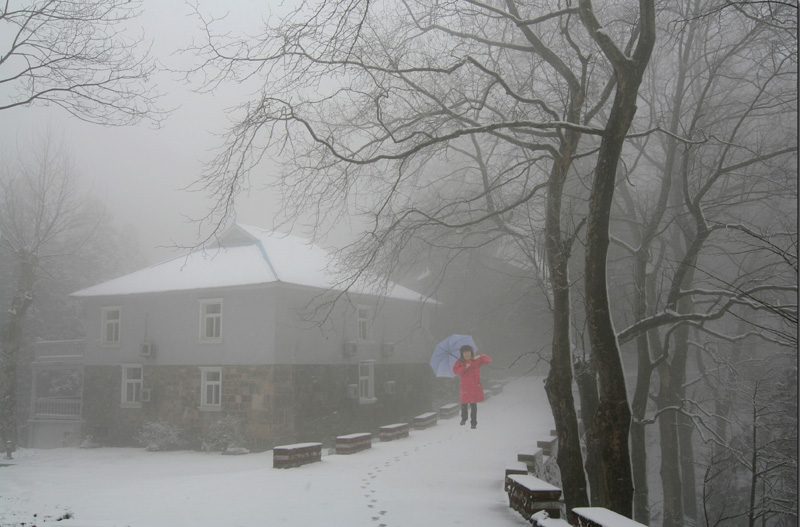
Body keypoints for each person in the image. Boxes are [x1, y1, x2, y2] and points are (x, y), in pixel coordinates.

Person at [452, 344, 491, 429]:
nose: (467, 354)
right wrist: (465, 367)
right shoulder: (459, 362)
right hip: (465, 387)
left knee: (474, 406)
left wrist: (481, 356)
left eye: (468, 352)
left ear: (471, 352)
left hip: (474, 386)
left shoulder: (476, 361)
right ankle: (464, 419)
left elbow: (488, 361)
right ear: (462, 353)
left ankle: (473, 423)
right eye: (465, 352)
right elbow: (456, 372)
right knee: (464, 405)